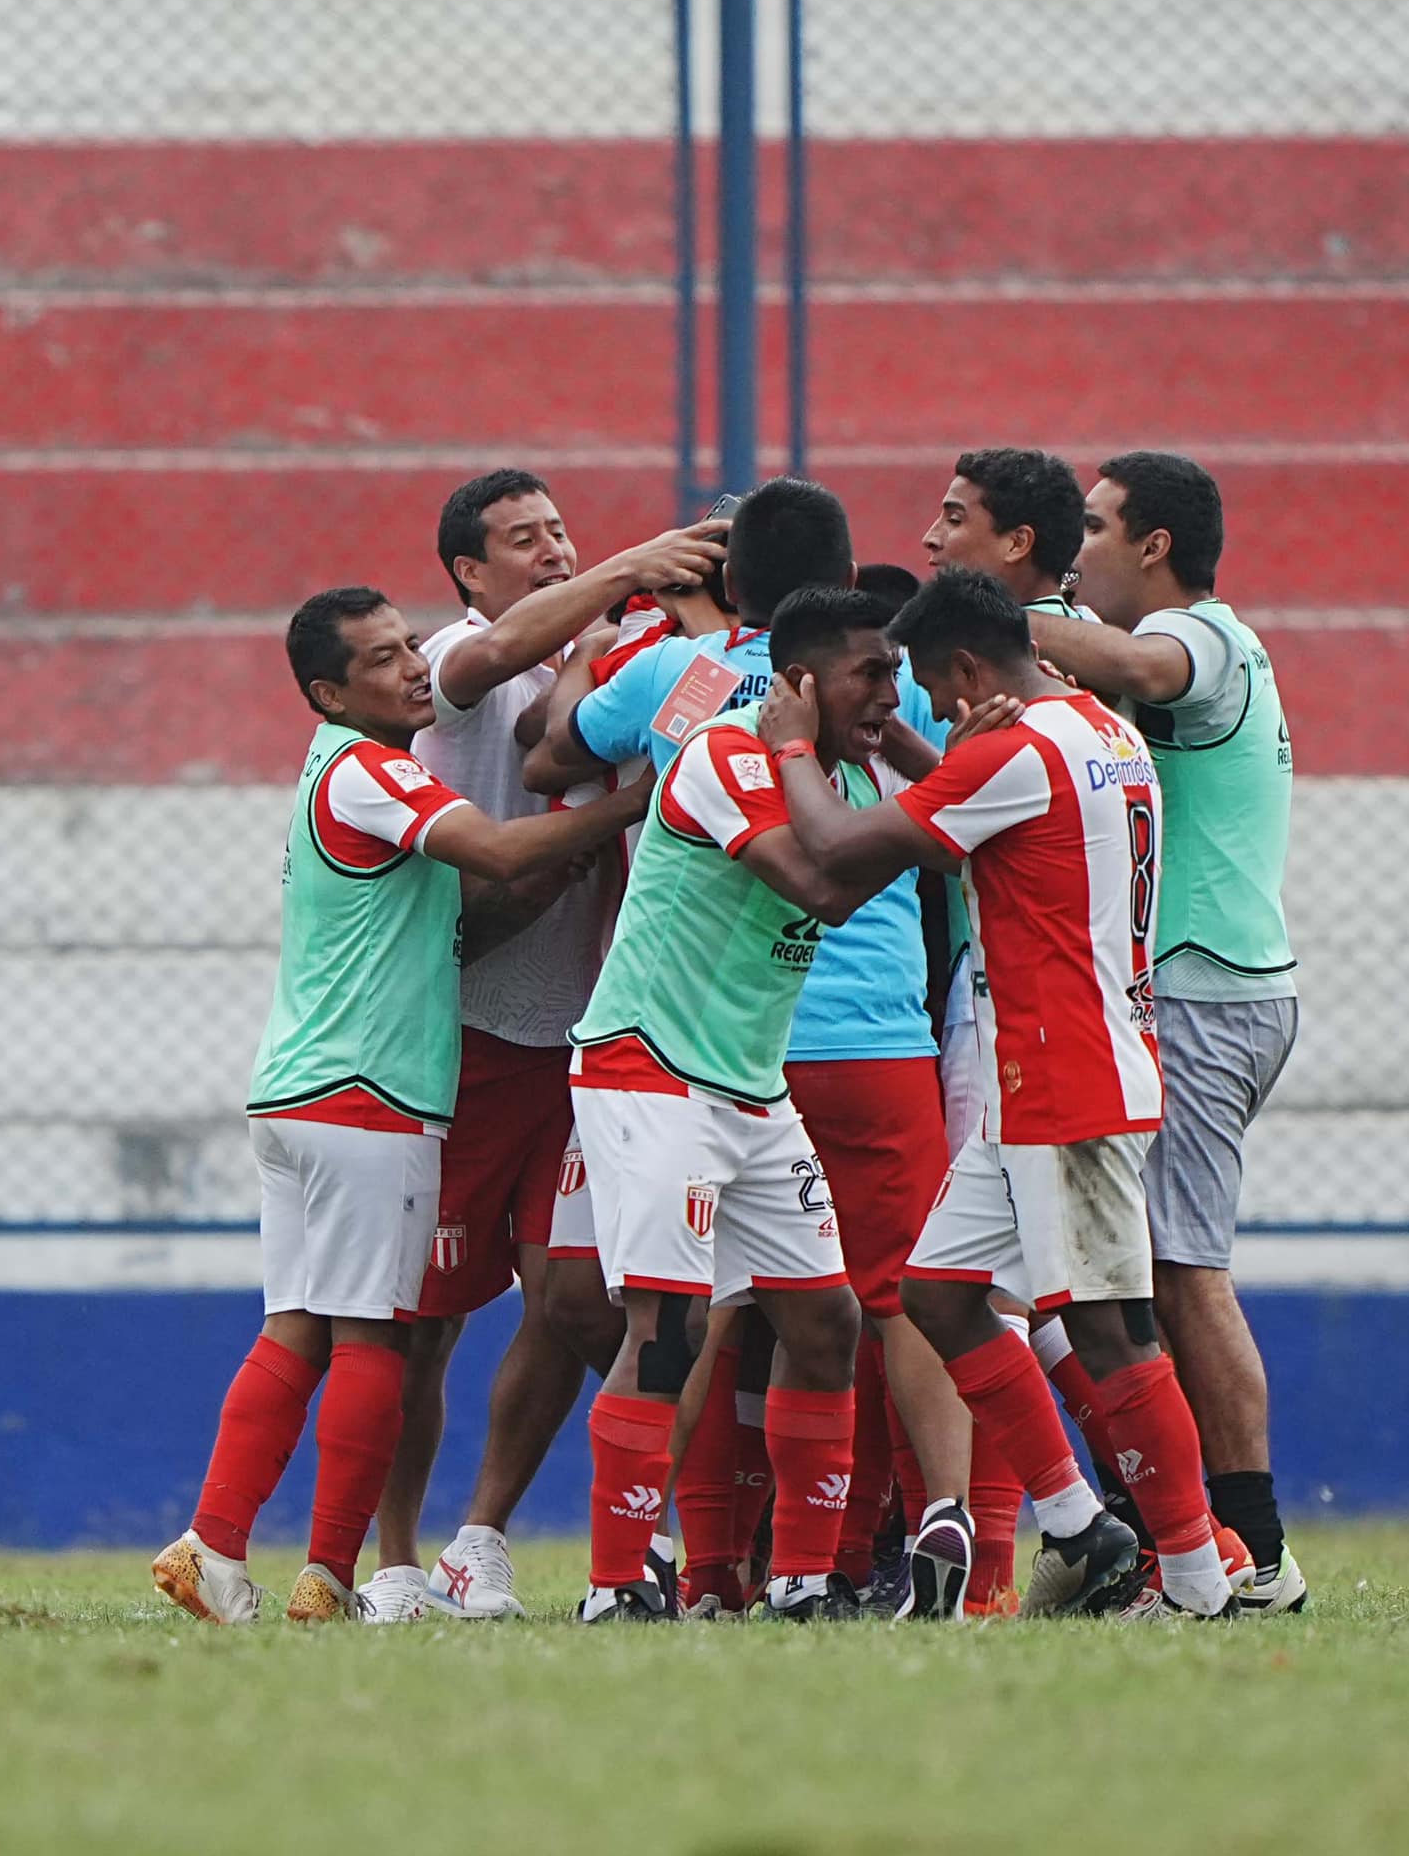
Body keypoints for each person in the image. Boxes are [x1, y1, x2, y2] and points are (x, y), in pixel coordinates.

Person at [150, 588, 649, 1624]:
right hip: (367, 1095)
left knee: (297, 1331)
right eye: (382, 659)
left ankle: (215, 1545)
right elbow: (504, 854)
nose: (414, 666)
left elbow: (461, 909)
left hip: (298, 1088)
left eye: (411, 644)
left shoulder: (331, 770)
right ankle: (331, 1576)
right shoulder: (377, 769)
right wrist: (639, 802)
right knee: (377, 1338)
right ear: (332, 692)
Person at [527, 485, 975, 1621]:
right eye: (874, 677)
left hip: (748, 1084)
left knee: (823, 1320)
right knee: (671, 1328)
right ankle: (615, 1582)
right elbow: (822, 882)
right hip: (651, 1072)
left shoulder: (851, 766)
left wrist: (896, 751)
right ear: (806, 683)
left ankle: (802, 1577)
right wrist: (822, 754)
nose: (892, 692)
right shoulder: (734, 755)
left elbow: (944, 831)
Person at [757, 567, 1241, 1620]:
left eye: (929, 683)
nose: (922, 703)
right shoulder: (1099, 731)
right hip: (1047, 1074)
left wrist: (792, 743)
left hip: (1069, 1076)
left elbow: (838, 860)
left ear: (969, 665)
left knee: (1114, 1329)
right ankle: (1078, 1521)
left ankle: (1203, 1577)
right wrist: (918, 748)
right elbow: (977, 810)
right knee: (938, 1293)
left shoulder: (1017, 753)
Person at [351, 471, 728, 1624]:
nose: (555, 551)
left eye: (563, 531)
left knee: (568, 1298)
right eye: (524, 540)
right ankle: (396, 1561)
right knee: (425, 1321)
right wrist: (631, 568)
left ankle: (483, 1541)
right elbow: (513, 703)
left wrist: (685, 645)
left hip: (586, 1034)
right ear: (470, 572)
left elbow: (663, 739)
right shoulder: (462, 656)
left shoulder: (614, 660)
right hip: (460, 1034)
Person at [1010, 452, 1305, 1612]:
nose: (1078, 549)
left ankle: (1254, 1551)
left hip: (1207, 992)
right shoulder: (1200, 650)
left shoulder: (1210, 640)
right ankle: (1182, 1539)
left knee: (1184, 1272)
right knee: (1148, 1272)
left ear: (1155, 546)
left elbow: (1135, 661)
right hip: (1207, 988)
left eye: (1093, 527)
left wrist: (1012, 606)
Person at [922, 447, 1088, 622]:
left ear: (1017, 543)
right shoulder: (1095, 631)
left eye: (955, 520)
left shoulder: (969, 643)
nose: (929, 539)